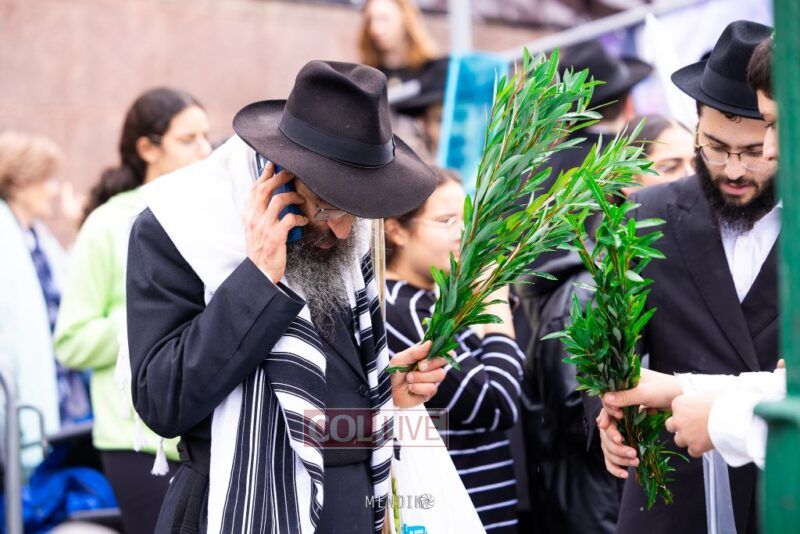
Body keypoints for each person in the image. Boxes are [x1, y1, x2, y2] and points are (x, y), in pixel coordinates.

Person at [125, 60, 450, 534]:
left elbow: (316, 413)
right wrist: (257, 278)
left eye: (357, 212)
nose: (345, 230)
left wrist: (380, 393)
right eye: (330, 207)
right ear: (279, 175)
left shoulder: (341, 231)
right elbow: (164, 402)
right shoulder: (178, 228)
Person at [588, 20, 777, 533]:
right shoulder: (643, 215)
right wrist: (607, 414)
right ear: (694, 128)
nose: (733, 170)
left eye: (753, 153)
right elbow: (605, 348)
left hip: (781, 489)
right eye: (715, 147)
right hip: (672, 494)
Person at [519, 111, 694, 533]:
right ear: (625, 184)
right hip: (605, 510)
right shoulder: (591, 291)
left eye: (696, 162)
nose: (690, 177)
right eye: (671, 166)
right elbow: (577, 422)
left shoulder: (663, 268)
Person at [54, 87, 212, 534]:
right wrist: (149, 321)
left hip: (207, 434)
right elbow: (70, 341)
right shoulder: (107, 224)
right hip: (136, 443)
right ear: (147, 148)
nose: (204, 150)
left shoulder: (212, 214)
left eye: (206, 136)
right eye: (188, 139)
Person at [383, 167, 525, 533]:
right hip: (457, 513)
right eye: (446, 221)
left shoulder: (430, 302)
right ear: (395, 229)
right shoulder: (404, 311)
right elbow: (497, 404)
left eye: (466, 219)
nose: (463, 233)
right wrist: (495, 302)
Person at [0, 131, 91, 473]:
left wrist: (79, 227)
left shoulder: (36, 237)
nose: (54, 189)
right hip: (19, 402)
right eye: (46, 179)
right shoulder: (7, 240)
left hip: (58, 396)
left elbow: (74, 288)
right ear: (19, 183)